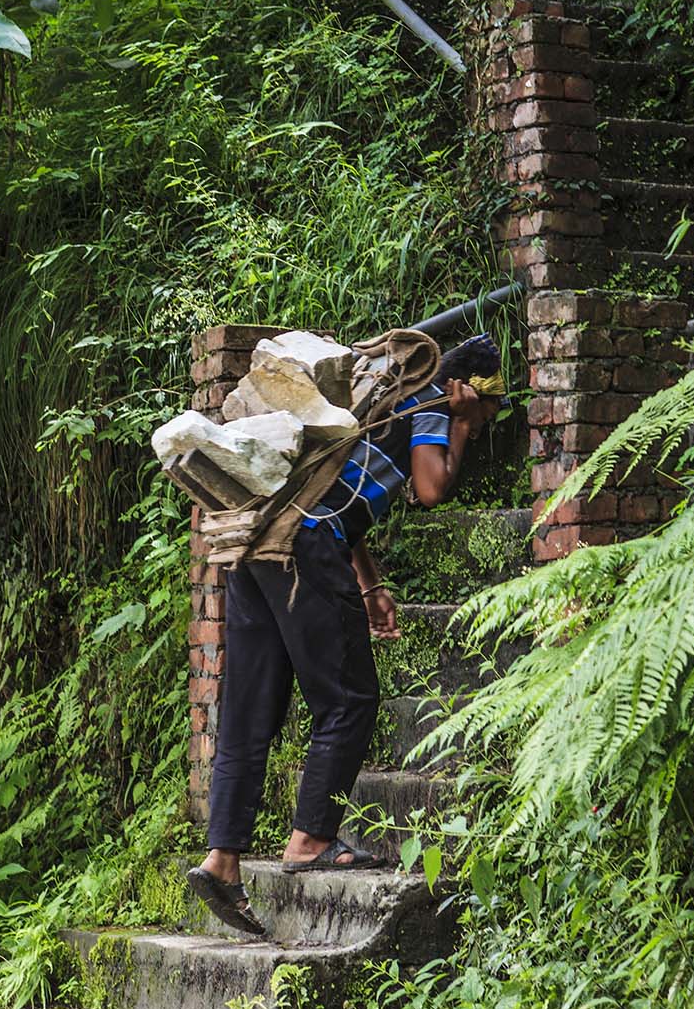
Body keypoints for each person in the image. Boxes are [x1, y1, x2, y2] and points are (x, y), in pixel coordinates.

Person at [186, 333, 505, 933]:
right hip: (305, 552)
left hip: (258, 544)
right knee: (351, 699)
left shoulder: (379, 400)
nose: (489, 425)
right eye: (491, 411)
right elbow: (432, 488)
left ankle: (221, 859)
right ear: (476, 394)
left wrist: (369, 583)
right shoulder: (432, 405)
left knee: (248, 711)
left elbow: (332, 490)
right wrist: (459, 422)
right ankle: (309, 841)